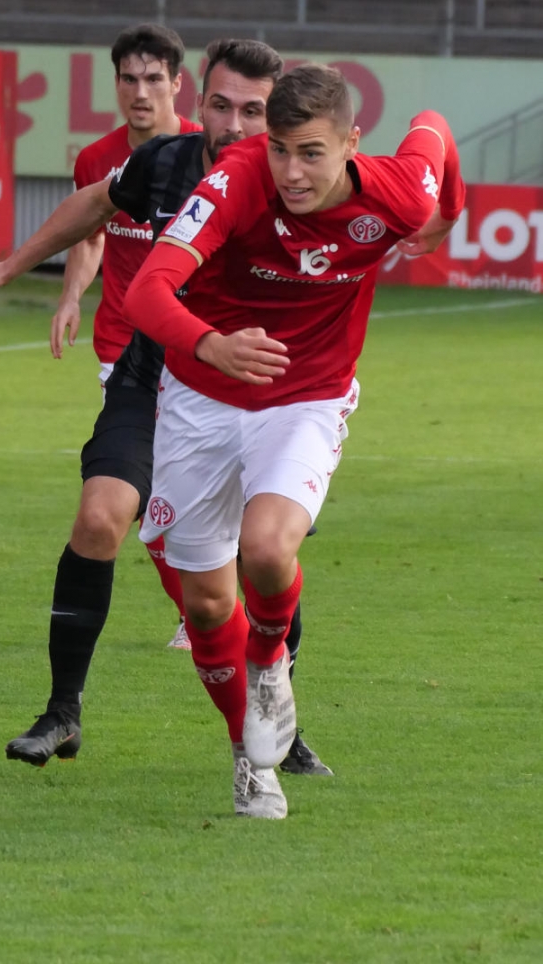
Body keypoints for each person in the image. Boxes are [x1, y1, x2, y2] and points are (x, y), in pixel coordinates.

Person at [0, 41, 332, 809]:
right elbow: (95, 203)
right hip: (149, 380)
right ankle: (62, 713)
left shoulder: (300, 185)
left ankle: (273, 715)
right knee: (99, 518)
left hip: (248, 401)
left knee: (242, 575)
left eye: (251, 110)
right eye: (220, 106)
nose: (230, 124)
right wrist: (9, 267)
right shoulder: (163, 164)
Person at [121, 62, 465, 818]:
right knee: (208, 605)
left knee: (270, 550)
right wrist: (212, 345)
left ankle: (271, 657)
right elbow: (147, 289)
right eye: (279, 149)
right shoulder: (239, 180)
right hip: (202, 398)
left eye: (311, 152)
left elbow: (434, 130)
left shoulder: (396, 193)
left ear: (352, 142)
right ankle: (251, 757)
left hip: (308, 398)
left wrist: (444, 218)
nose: (291, 170)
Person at [51, 24, 200, 651]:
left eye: (152, 79)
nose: (140, 92)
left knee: (182, 496)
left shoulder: (207, 151)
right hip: (123, 348)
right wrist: (70, 295)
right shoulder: (97, 158)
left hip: (194, 350)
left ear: (177, 83)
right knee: (147, 498)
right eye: (128, 79)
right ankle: (198, 616)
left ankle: (211, 608)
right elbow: (90, 236)